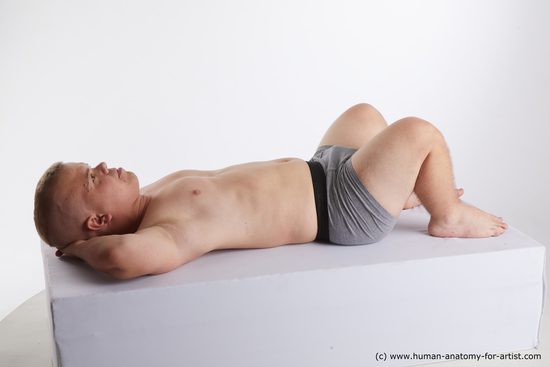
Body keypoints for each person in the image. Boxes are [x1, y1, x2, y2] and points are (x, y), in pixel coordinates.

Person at [34, 104, 507, 279]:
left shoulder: (152, 197)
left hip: (322, 171)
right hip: (339, 211)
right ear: (97, 224)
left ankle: (399, 190)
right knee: (419, 133)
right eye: (92, 179)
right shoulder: (170, 231)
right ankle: (448, 214)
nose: (101, 166)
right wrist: (78, 249)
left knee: (363, 113)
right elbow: (119, 259)